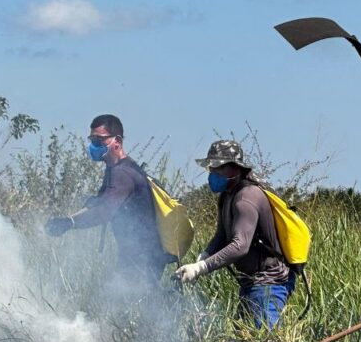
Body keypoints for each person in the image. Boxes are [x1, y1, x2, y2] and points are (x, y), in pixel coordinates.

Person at [175, 140, 294, 329]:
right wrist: (204, 256)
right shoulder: (227, 196)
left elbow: (240, 245)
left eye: (217, 168)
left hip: (268, 283)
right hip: (250, 283)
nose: (212, 174)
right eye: (210, 168)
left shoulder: (247, 197)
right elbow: (221, 236)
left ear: (234, 169)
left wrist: (202, 267)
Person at [45, 114, 168, 291]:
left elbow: (104, 211)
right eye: (91, 140)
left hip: (144, 256)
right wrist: (68, 218)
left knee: (128, 304)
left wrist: (69, 223)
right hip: (134, 254)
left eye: (99, 140)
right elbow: (100, 204)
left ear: (116, 141)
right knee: (123, 303)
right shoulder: (114, 169)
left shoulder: (123, 173)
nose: (93, 146)